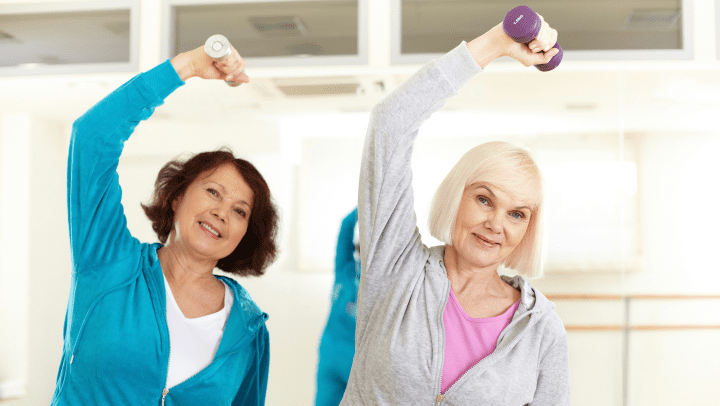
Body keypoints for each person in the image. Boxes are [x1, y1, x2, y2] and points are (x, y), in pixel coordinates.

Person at [343, 16, 570, 406]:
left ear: (529, 228)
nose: (495, 224)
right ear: (458, 196)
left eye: (517, 214)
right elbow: (389, 124)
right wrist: (497, 42)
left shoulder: (540, 328)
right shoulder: (397, 267)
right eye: (484, 199)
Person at [51, 41, 277, 405]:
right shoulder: (109, 261)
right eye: (213, 192)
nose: (222, 212)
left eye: (240, 211)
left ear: (245, 234)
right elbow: (92, 137)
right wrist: (185, 66)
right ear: (175, 198)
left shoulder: (248, 328)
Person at [315, 208, 361, 406]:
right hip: (330, 356)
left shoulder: (383, 282)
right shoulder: (346, 267)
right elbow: (346, 224)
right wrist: (367, 202)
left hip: (359, 366)